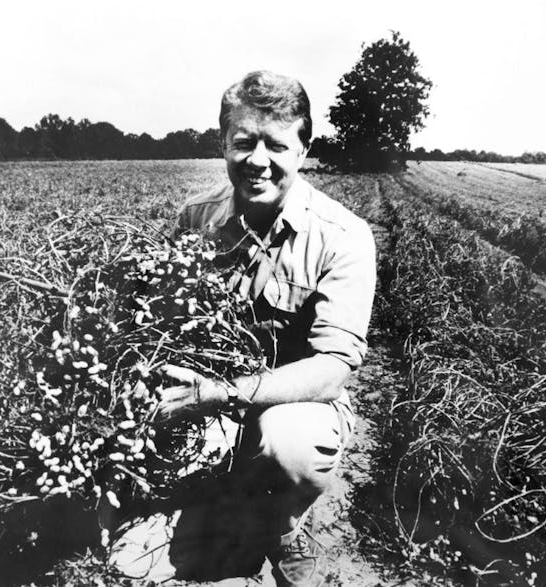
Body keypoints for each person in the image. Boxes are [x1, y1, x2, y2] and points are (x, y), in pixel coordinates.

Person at [110, 70, 376, 586]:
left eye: (276, 144)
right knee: (130, 539)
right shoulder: (195, 218)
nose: (258, 160)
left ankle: (280, 532)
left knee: (287, 443)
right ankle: (212, 513)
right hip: (204, 400)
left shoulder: (344, 237)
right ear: (222, 145)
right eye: (243, 143)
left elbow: (331, 369)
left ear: (303, 148)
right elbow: (156, 327)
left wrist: (221, 394)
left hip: (298, 406)